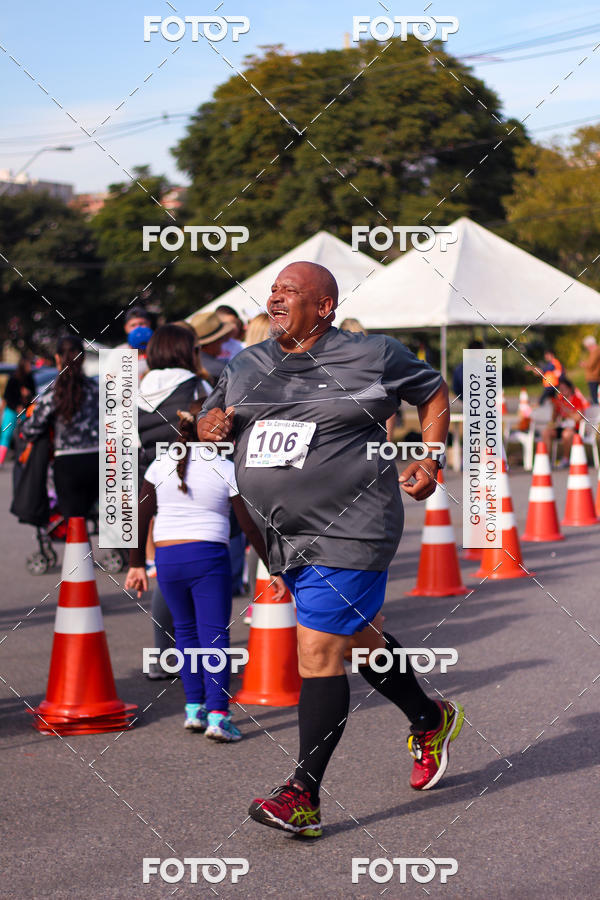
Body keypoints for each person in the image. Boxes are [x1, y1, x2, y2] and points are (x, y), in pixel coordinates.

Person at [197, 261, 463, 839]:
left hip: (353, 528)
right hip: (279, 536)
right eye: (271, 291)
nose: (275, 298)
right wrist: (209, 423)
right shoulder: (246, 364)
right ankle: (430, 717)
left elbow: (434, 390)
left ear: (323, 308)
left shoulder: (374, 355)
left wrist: (431, 455)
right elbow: (212, 415)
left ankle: (303, 797)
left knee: (317, 650)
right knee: (360, 639)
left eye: (289, 292)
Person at [125, 407, 283, 741]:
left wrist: (136, 564)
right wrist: (274, 566)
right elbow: (249, 526)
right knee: (214, 637)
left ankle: (193, 709)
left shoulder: (160, 464)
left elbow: (140, 515)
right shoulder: (225, 468)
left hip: (168, 557)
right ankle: (218, 716)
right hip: (208, 555)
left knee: (184, 633)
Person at [138, 324, 211, 679]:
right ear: (186, 350)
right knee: (189, 570)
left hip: (145, 486)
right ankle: (173, 656)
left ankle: (163, 655)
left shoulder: (133, 386)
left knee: (165, 568)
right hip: (186, 484)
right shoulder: (198, 387)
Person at [21, 336, 99, 517]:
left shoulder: (53, 392)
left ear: (57, 358)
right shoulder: (96, 389)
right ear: (84, 359)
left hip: (67, 463)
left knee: (74, 522)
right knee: (88, 516)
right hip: (97, 460)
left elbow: (31, 429)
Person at [542, 376, 590, 466]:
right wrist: (555, 409)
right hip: (561, 426)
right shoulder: (560, 401)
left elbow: (578, 417)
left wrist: (567, 411)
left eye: (564, 389)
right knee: (546, 432)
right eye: (560, 389)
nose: (562, 392)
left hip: (574, 429)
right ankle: (546, 460)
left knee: (566, 434)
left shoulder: (576, 400)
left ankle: (566, 458)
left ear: (570, 389)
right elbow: (553, 420)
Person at [0, 355, 35, 465]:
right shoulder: (13, 379)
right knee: (6, 435)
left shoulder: (30, 379)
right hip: (11, 410)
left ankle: (24, 458)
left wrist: (28, 394)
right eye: (28, 365)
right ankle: (0, 460)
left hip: (24, 411)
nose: (30, 367)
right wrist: (16, 407)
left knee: (26, 434)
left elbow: (34, 396)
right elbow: (7, 397)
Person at [189, 311, 236, 383]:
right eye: (221, 337)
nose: (223, 341)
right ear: (213, 342)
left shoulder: (198, 363)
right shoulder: (219, 370)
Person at [581, 335, 600, 404]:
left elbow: (591, 365)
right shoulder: (596, 351)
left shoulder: (595, 351)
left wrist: (584, 364)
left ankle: (597, 413)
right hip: (595, 377)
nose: (587, 348)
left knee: (595, 399)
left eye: (587, 346)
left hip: (593, 377)